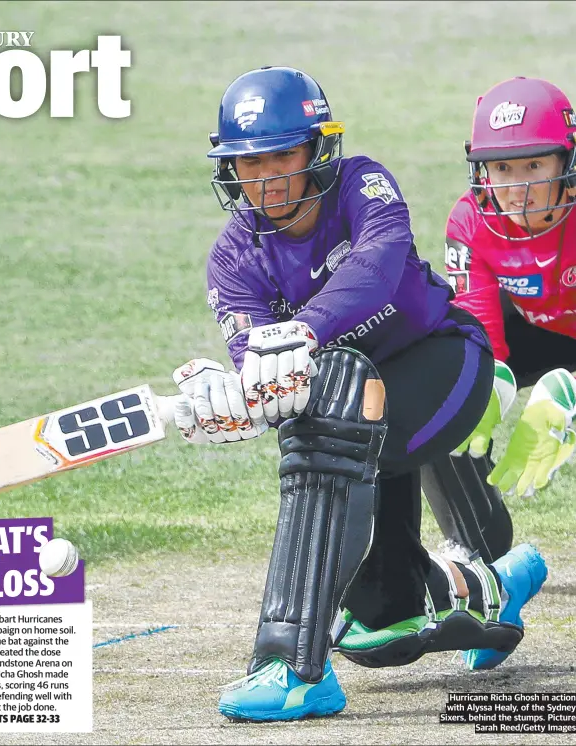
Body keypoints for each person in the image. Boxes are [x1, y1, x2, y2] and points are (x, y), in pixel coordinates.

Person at [169, 66, 548, 723]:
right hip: (357, 416)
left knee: (336, 405)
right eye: (249, 163)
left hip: (441, 366)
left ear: (318, 149)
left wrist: (300, 330)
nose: (269, 179)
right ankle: (492, 586)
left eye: (283, 155)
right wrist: (221, 399)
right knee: (381, 626)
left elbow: (373, 272)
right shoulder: (233, 259)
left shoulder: (362, 185)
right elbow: (270, 380)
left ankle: (291, 667)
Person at [425, 77, 576, 565]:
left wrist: (569, 392)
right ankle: (473, 541)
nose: (519, 187)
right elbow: (479, 330)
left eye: (535, 163)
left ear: (567, 160)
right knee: (439, 378)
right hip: (536, 328)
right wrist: (486, 385)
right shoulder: (469, 220)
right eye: (502, 167)